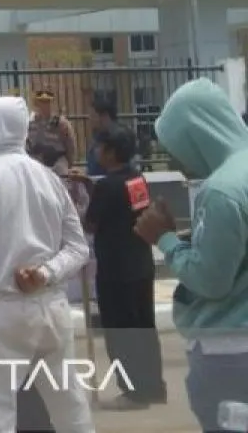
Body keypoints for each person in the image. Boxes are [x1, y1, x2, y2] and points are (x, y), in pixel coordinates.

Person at [0, 95, 94, 433]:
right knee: (70, 406)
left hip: (2, 308)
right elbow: (78, 247)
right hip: (52, 307)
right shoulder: (50, 178)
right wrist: (45, 274)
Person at [135, 78, 248, 432]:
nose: (177, 161)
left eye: (177, 147)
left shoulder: (222, 191)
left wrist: (165, 239)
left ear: (198, 135)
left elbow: (211, 281)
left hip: (229, 353)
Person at [83, 125, 166, 410]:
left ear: (110, 152)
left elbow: (90, 223)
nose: (96, 151)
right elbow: (131, 211)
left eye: (99, 146)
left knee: (120, 332)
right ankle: (152, 386)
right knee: (144, 326)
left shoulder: (106, 186)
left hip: (116, 270)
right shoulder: (136, 179)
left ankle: (133, 392)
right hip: (139, 263)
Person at [27, 89, 76, 175]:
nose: (45, 105)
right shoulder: (30, 123)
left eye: (47, 102)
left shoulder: (60, 123)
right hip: (36, 162)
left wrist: (70, 163)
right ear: (36, 104)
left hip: (57, 161)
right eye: (42, 102)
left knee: (61, 171)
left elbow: (70, 144)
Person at [84, 99, 117, 177]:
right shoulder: (96, 137)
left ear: (104, 116)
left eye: (93, 116)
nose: (90, 119)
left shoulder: (117, 138)